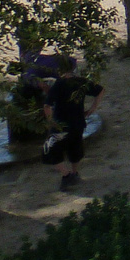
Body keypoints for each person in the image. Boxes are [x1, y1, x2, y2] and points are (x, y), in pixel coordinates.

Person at [42, 57, 104, 192]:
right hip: (78, 122)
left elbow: (47, 106)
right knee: (75, 149)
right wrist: (92, 109)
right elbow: (100, 90)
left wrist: (50, 122)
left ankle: (66, 175)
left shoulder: (59, 84)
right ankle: (75, 173)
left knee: (50, 151)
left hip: (61, 124)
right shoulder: (81, 82)